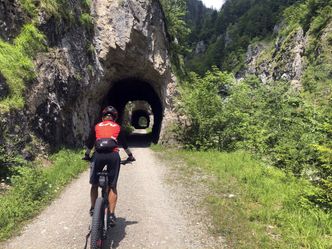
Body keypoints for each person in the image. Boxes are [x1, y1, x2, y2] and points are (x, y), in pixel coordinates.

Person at [83, 106, 135, 226]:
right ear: (114, 118)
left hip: (98, 155)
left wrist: (87, 155)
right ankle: (111, 215)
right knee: (112, 186)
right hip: (113, 156)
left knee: (94, 184)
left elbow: (90, 143)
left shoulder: (96, 126)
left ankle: (92, 208)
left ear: (103, 117)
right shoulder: (117, 127)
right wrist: (130, 156)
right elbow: (125, 145)